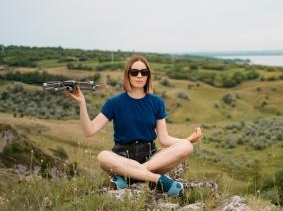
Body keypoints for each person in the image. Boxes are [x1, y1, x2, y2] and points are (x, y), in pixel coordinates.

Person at [66, 55, 202, 197]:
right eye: (134, 72)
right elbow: (89, 131)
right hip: (122, 157)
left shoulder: (157, 102)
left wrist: (187, 140)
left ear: (148, 76)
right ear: (128, 75)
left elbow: (164, 138)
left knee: (187, 147)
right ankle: (157, 180)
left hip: (151, 158)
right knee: (103, 157)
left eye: (144, 72)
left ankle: (128, 176)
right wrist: (82, 103)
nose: (139, 76)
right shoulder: (114, 103)